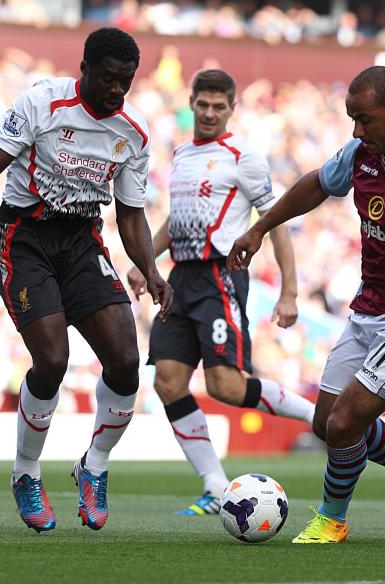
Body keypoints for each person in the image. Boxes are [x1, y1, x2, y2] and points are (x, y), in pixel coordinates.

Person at [229, 66, 385, 543]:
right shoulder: (363, 153)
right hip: (369, 309)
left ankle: (332, 519)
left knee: (346, 423)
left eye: (364, 120)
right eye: (352, 120)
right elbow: (318, 183)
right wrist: (260, 228)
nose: (356, 131)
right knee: (327, 424)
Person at [0, 27, 173, 533]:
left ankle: (94, 466)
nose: (118, 90)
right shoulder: (42, 102)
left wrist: (151, 270)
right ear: (84, 69)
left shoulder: (134, 130)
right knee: (53, 359)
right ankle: (26, 473)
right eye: (108, 78)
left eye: (126, 81)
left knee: (126, 361)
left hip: (81, 241)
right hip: (24, 236)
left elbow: (129, 216)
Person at [126, 69, 314, 516]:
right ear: (191, 103)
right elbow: (177, 221)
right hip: (179, 279)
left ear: (232, 109)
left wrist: (289, 291)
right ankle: (214, 484)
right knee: (168, 381)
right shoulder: (183, 154)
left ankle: (315, 416)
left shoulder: (243, 157)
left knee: (227, 387)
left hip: (219, 276)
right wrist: (144, 264)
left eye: (219, 106)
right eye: (202, 105)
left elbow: (275, 223)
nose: (209, 113)